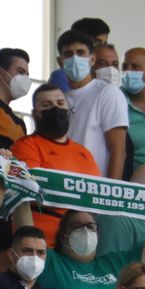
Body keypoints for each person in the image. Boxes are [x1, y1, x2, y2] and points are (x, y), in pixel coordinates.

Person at [11, 85, 102, 243]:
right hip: (43, 244)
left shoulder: (84, 152)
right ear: (34, 114)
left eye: (60, 104)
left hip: (84, 242)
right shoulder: (26, 146)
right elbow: (31, 190)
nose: (55, 109)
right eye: (46, 105)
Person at [56, 32, 129, 179]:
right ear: (60, 61)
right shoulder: (59, 100)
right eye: (68, 53)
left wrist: (110, 194)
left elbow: (118, 151)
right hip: (66, 187)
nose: (75, 58)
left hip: (96, 189)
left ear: (92, 59)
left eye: (81, 52)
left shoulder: (108, 94)